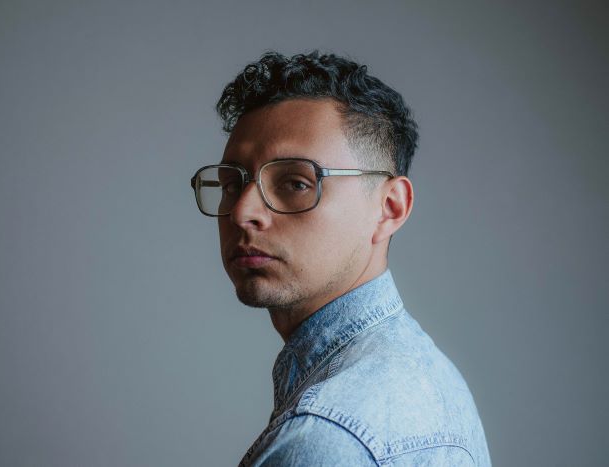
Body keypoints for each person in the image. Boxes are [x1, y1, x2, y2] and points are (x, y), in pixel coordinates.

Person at [190, 51, 492, 466]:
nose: (243, 212)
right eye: (231, 184)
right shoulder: (422, 375)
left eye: (295, 182)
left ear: (389, 207)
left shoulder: (328, 437)